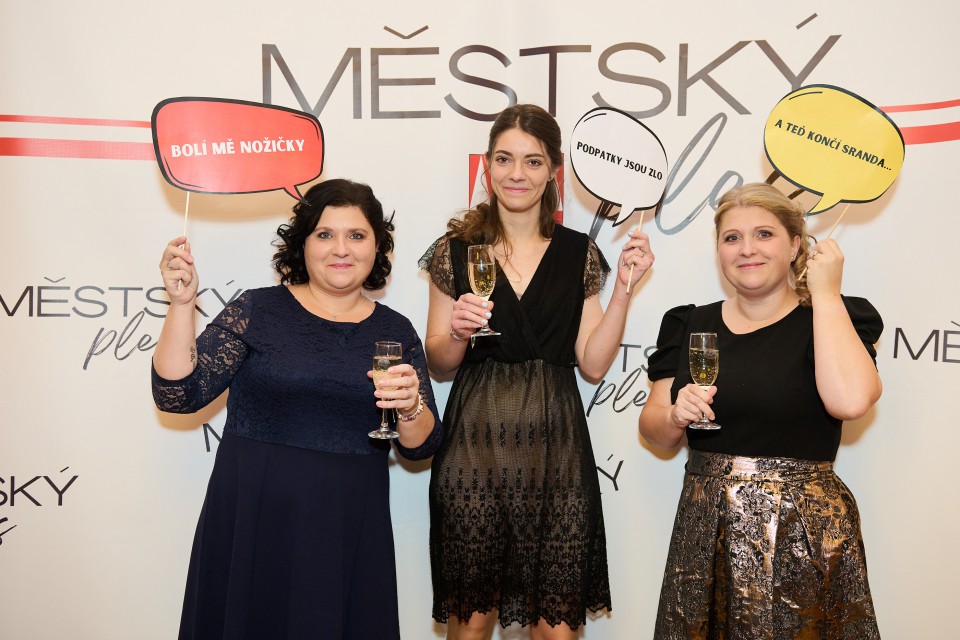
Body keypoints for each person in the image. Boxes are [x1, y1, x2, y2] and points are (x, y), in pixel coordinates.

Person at [152, 178, 442, 640]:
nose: (341, 249)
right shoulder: (257, 309)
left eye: (357, 235)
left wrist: (410, 407)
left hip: (349, 525)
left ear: (377, 247)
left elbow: (421, 446)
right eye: (325, 234)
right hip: (255, 515)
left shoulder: (395, 331)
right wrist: (183, 305)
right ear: (302, 243)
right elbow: (178, 394)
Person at [420, 103, 654, 640]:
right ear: (487, 167)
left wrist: (623, 290)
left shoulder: (578, 253)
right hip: (474, 455)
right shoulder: (455, 251)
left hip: (557, 456)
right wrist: (457, 331)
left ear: (554, 171)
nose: (516, 174)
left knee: (557, 630)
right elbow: (439, 362)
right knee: (470, 627)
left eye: (532, 161)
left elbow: (592, 363)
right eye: (504, 159)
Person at [638, 182, 882, 639]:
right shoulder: (689, 323)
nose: (747, 249)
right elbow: (654, 431)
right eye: (732, 238)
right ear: (719, 249)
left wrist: (826, 295)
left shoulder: (833, 317)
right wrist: (674, 416)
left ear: (795, 245)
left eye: (764, 234)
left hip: (802, 532)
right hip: (705, 531)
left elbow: (850, 401)